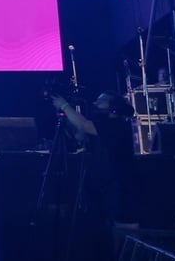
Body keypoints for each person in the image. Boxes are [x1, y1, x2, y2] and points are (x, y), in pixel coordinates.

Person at [50, 91, 136, 227]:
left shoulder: (115, 124)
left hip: (119, 186)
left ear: (113, 106)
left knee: (122, 227)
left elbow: (83, 124)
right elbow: (79, 134)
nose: (96, 103)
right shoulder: (102, 124)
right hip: (103, 183)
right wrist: (66, 116)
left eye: (102, 100)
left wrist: (65, 106)